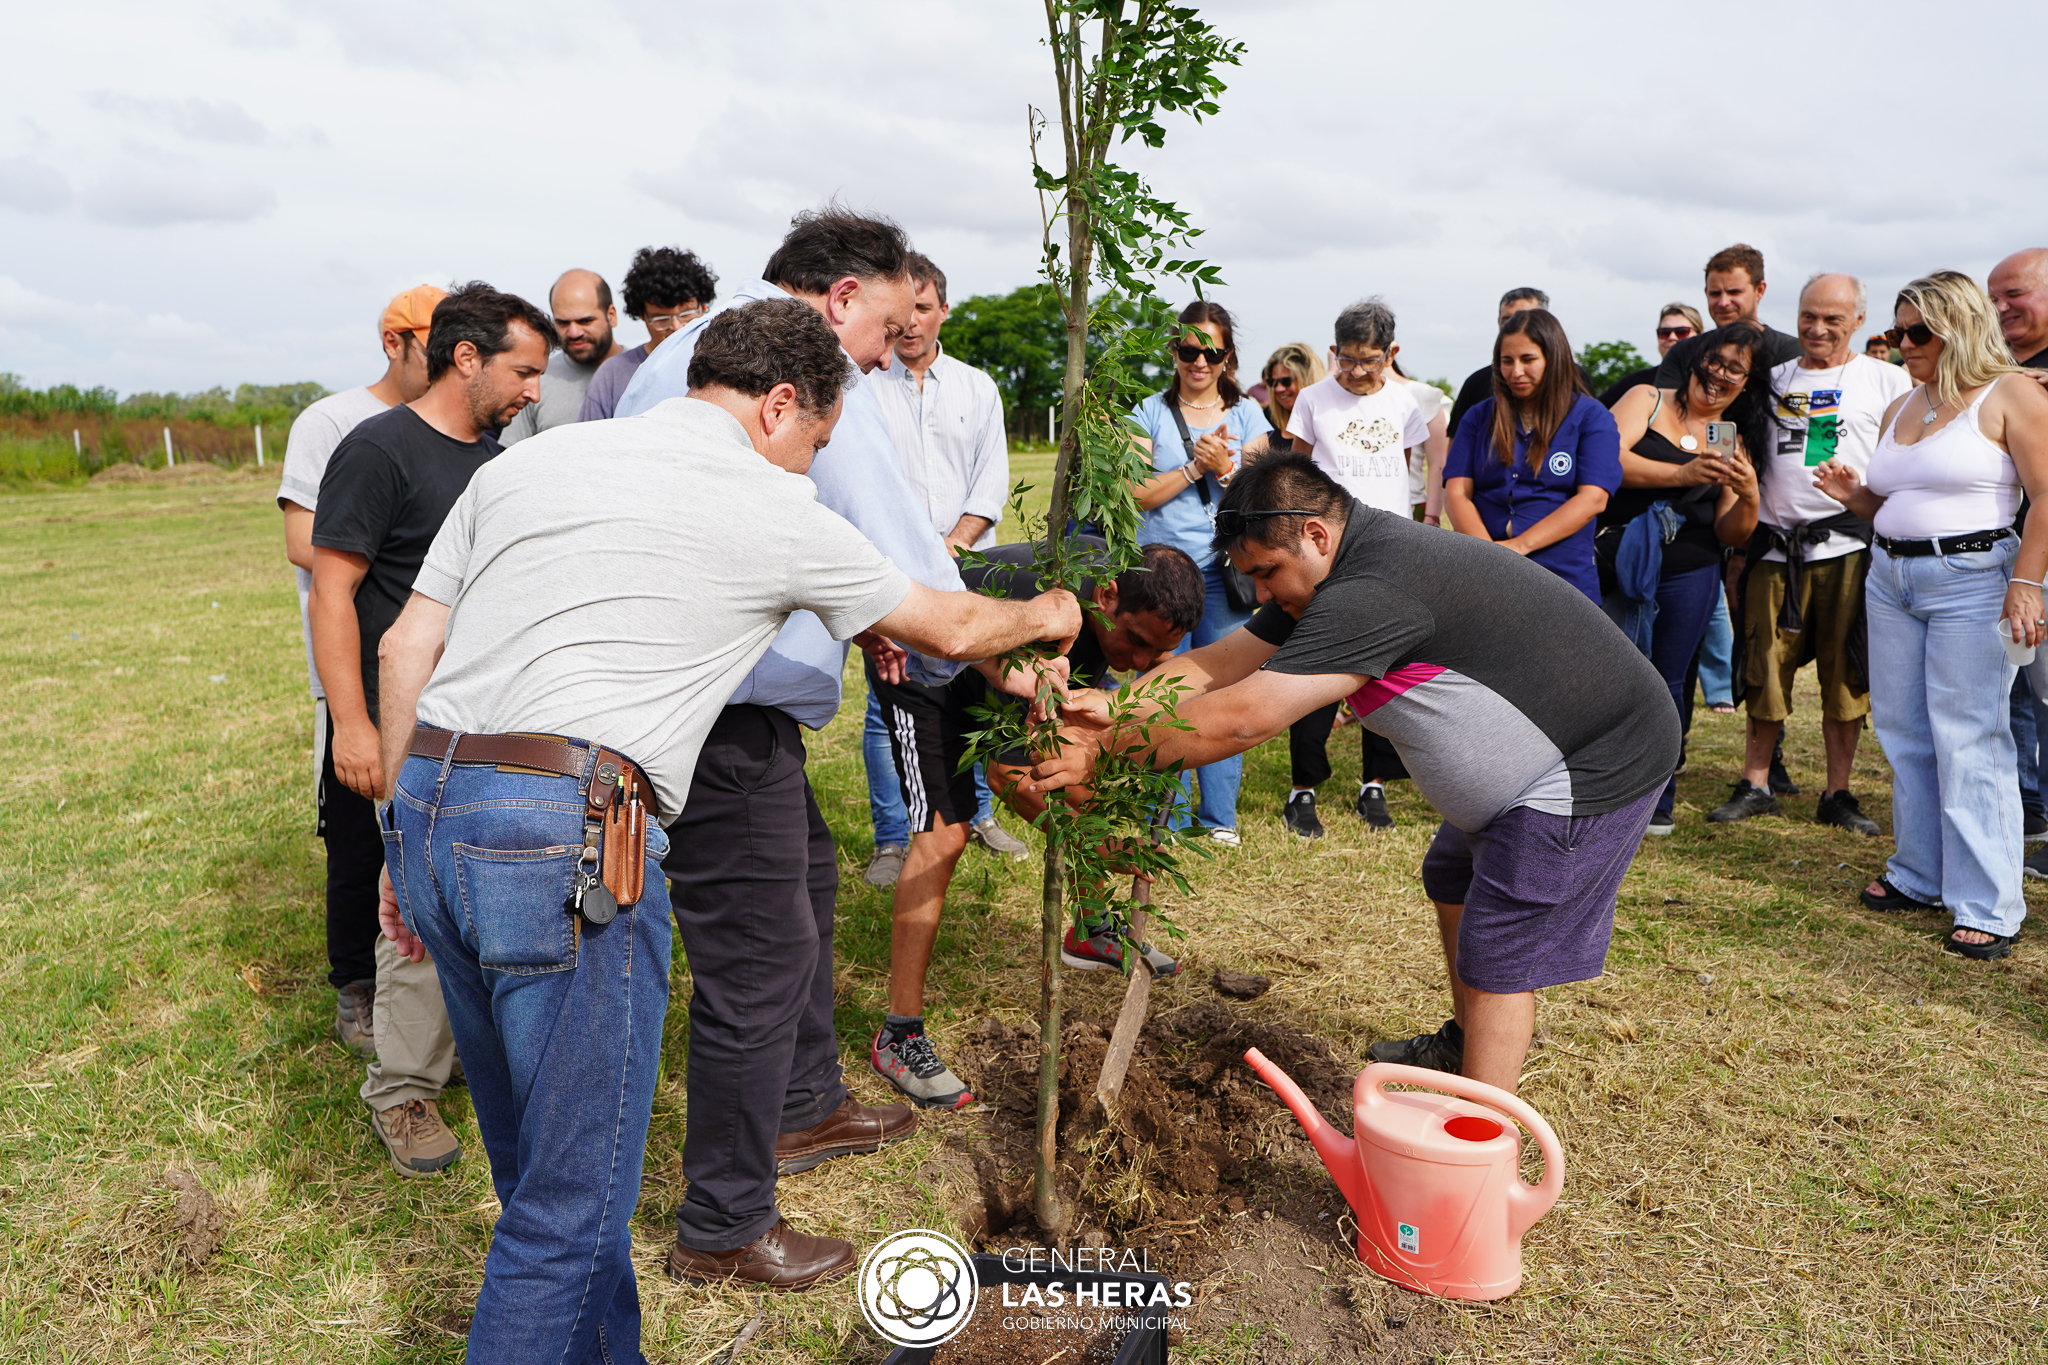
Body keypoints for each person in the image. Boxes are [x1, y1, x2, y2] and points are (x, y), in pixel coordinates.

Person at [373, 298, 1084, 1360]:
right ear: (781, 406)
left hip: (433, 795)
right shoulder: (770, 504)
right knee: (567, 1211)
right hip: (566, 830)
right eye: (817, 445)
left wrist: (399, 840)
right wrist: (1049, 613)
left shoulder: (530, 464)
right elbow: (946, 624)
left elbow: (404, 649)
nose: (811, 467)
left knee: (542, 1173)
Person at [1024, 454, 1679, 1095]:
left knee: (1497, 948)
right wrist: (1114, 705)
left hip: (1595, 755)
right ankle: (1466, 1042)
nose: (1260, 594)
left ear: (1315, 533)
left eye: (1267, 572)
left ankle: (1479, 1134)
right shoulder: (1335, 570)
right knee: (1452, 876)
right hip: (1543, 753)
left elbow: (1246, 718)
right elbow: (1218, 664)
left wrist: (1104, 751)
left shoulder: (1372, 590)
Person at [612, 207, 993, 1289]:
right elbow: (903, 552)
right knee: (757, 957)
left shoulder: (686, 362)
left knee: (809, 880)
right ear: (839, 301)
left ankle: (803, 1098)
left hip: (704, 701)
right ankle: (725, 1222)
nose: (883, 357)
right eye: (884, 329)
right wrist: (1009, 651)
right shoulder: (807, 372)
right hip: (721, 715)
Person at [309, 282, 555, 1175]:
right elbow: (332, 591)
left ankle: (482, 1062)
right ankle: (405, 1090)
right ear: (466, 357)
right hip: (406, 719)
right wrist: (352, 723)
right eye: (523, 371)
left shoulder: (499, 463)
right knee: (412, 905)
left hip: (491, 723)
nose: (534, 390)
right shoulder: (379, 449)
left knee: (481, 898)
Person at [867, 538, 1204, 1107]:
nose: (1140, 662)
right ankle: (899, 1034)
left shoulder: (1111, 603)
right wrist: (1100, 846)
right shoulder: (1050, 610)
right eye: (1136, 641)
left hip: (1002, 667)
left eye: (1157, 650)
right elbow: (1008, 776)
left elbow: (1063, 746)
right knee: (944, 836)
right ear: (1107, 598)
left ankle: (1091, 930)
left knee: (1076, 771)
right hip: (924, 663)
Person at [1814, 270, 2048, 960]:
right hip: (1891, 575)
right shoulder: (1904, 402)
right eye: (1897, 331)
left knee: (1970, 736)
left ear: (1959, 328)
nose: (1904, 343)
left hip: (1973, 578)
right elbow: (1892, 503)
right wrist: (1854, 496)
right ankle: (1919, 872)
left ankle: (1989, 903)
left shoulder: (2010, 393)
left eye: (1918, 331)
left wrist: (2027, 582)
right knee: (1905, 731)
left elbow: (2046, 494)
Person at [277, 283, 442, 1059]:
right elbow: (304, 541)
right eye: (432, 341)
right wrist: (412, 558)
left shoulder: (461, 430)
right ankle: (357, 986)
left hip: (433, 669)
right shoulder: (332, 422)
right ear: (393, 343)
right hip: (355, 663)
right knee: (357, 834)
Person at [1707, 274, 1909, 833]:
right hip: (1775, 547)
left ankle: (1838, 792)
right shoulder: (1772, 378)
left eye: (1832, 320)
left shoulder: (1888, 380)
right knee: (1763, 667)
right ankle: (1756, 782)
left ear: (1858, 321)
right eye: (1808, 317)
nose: (1817, 329)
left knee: (1846, 672)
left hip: (1850, 547)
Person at [862, 252, 1028, 881]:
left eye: (924, 309)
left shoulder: (977, 387)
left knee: (973, 690)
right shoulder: (862, 386)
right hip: (893, 573)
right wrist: (914, 557)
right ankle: (893, 837)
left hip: (969, 567)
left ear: (944, 312)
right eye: (903, 311)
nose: (911, 323)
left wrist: (954, 544)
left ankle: (977, 813)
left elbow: (991, 479)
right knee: (889, 701)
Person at [1601, 321, 1769, 835]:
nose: (1719, 376)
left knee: (1668, 681)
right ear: (1695, 357)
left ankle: (1656, 798)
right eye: (1714, 361)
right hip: (1620, 560)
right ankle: (1601, 784)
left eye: (1735, 371)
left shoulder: (1732, 437)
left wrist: (1750, 495)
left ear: (1746, 384)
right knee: (1610, 672)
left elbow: (1731, 531)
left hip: (1691, 568)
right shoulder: (1647, 398)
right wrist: (1681, 474)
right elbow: (1606, 460)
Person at [1279, 297, 1430, 833]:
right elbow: (1294, 473)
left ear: (1391, 353)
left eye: (1369, 360)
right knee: (1316, 662)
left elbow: (1406, 470)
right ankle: (1302, 788)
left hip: (1389, 548)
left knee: (1384, 666)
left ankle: (1375, 783)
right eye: (1347, 359)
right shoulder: (1313, 400)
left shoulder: (1405, 403)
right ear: (1332, 351)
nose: (1358, 371)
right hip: (1326, 552)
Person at [1129, 301, 1273, 845]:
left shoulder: (1248, 415)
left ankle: (1218, 819)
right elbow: (1136, 492)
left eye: (1211, 353)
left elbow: (1260, 497)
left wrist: (1226, 468)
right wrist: (1194, 467)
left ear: (1227, 357)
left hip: (1223, 571)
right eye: (1189, 350)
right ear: (1173, 351)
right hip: (1162, 576)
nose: (1199, 362)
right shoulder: (1148, 411)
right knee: (1159, 691)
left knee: (1224, 689)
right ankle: (1161, 817)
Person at [1441, 307, 1621, 602]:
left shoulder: (1592, 417)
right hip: (1486, 575)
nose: (1516, 372)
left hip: (1563, 578)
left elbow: (1593, 499)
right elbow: (1456, 492)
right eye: (1506, 361)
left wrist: (1518, 547)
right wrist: (1488, 555)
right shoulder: (1478, 417)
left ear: (1554, 358)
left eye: (1528, 360)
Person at [1993, 249, 2048, 878]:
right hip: (1997, 555)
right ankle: (2023, 804)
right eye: (1994, 299)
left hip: (2039, 562)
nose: (2002, 308)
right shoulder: (1990, 369)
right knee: (2007, 692)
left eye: (2015, 294)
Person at [579, 247, 719, 422]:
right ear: (642, 315)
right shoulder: (612, 374)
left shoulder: (721, 368)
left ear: (703, 306)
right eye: (661, 318)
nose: (676, 327)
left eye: (686, 314)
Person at [498, 269, 621, 444]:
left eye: (585, 321)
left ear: (612, 316)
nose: (574, 332)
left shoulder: (641, 372)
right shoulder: (535, 380)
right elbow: (511, 453)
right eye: (563, 323)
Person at [1655, 244, 1803, 386]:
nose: (1723, 302)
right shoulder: (1682, 353)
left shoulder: (1791, 354)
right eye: (1715, 293)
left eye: (1734, 292)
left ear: (1759, 290)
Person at [1446, 287, 1549, 440]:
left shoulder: (1574, 384)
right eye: (1507, 320)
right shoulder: (1476, 384)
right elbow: (1455, 448)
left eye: (1524, 318)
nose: (1517, 372)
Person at [1598, 302, 1704, 407]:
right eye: (1664, 333)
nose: (1672, 337)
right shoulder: (1637, 383)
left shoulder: (1709, 381)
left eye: (1682, 332)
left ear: (1700, 336)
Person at [1259, 342, 1324, 449]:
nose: (1279, 388)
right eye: (1272, 382)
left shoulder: (1327, 416)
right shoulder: (1268, 417)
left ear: (1307, 379)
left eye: (1286, 381)